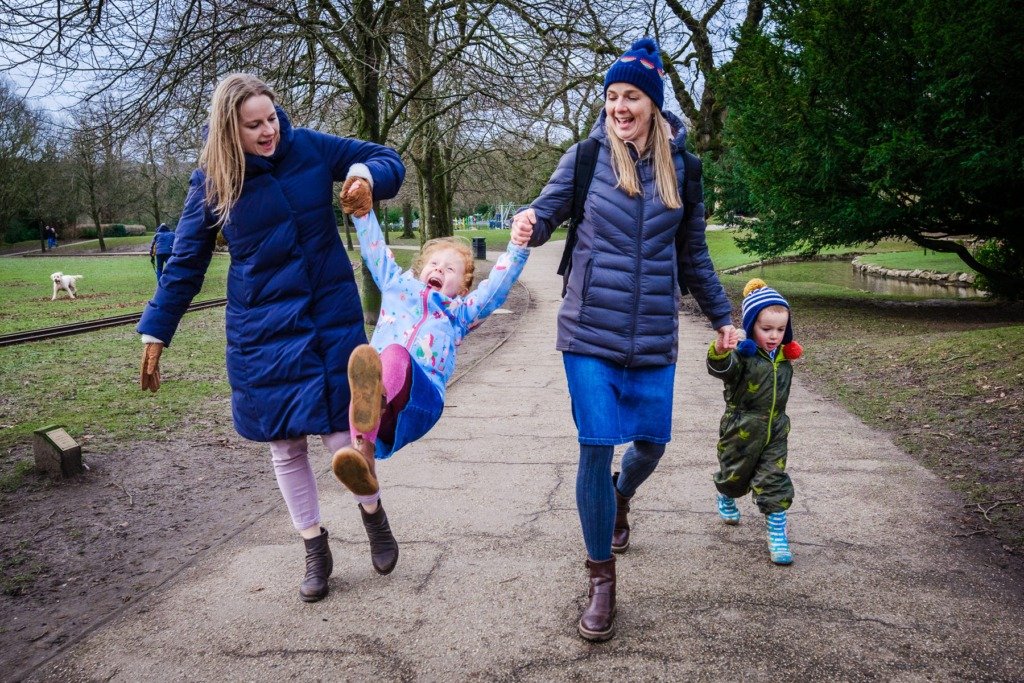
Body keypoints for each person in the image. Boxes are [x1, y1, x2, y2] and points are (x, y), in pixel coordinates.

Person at [135, 73, 404, 603]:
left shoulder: (307, 148)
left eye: (271, 118)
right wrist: (156, 332)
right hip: (261, 332)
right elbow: (186, 264)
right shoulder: (212, 183)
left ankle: (373, 516)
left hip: (329, 316)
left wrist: (363, 176)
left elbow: (386, 157)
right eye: (253, 125)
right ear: (228, 130)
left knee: (340, 434)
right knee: (284, 445)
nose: (268, 131)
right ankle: (314, 547)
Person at [511, 37, 735, 642]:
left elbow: (694, 256)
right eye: (611, 96)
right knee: (594, 445)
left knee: (652, 446)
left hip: (654, 335)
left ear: (654, 105)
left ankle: (619, 497)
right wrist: (528, 223)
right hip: (588, 331)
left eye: (631, 96)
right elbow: (546, 213)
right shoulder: (585, 158)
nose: (618, 106)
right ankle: (601, 582)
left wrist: (723, 316)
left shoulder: (683, 169)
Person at [332, 199, 529, 534]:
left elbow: (496, 288)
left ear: (463, 287)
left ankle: (371, 414)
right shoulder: (397, 287)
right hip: (382, 408)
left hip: (421, 401)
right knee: (369, 367)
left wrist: (518, 245)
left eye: (449, 269)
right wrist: (363, 214)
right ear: (420, 269)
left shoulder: (461, 312)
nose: (438, 270)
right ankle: (362, 461)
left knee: (390, 356)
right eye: (434, 264)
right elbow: (376, 252)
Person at [707, 278, 802, 565]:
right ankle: (725, 493)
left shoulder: (782, 357)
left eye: (781, 329)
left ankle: (777, 536)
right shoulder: (742, 355)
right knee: (734, 477)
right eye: (766, 329)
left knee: (773, 480)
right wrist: (721, 352)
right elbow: (721, 369)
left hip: (775, 429)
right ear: (750, 327)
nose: (774, 335)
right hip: (741, 428)